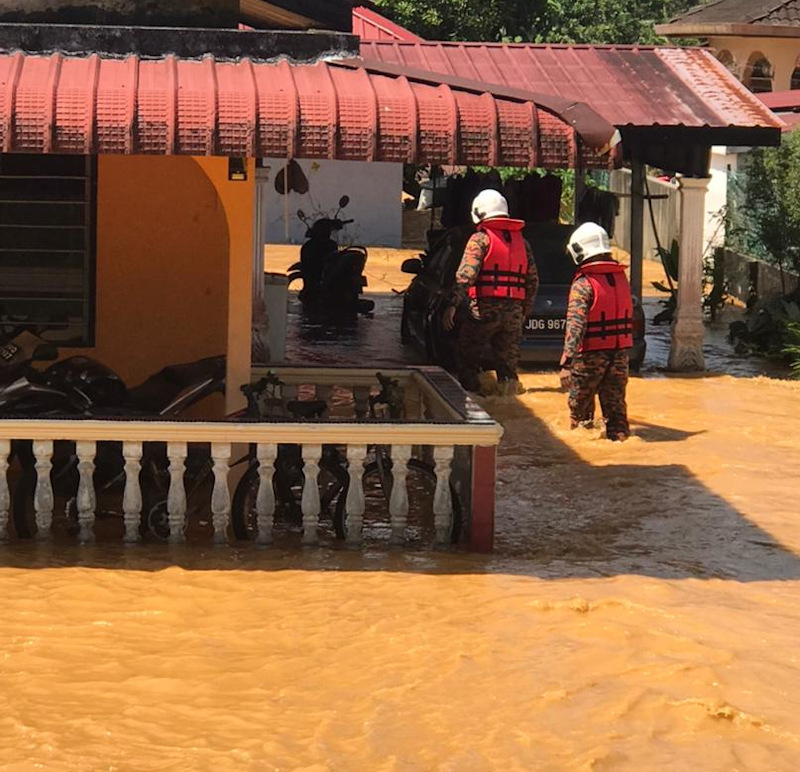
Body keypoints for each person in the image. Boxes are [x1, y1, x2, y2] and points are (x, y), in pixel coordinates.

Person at [442, 190, 538, 396]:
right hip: (513, 313)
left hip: (484, 311)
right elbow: (533, 281)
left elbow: (466, 275)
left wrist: (452, 304)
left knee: (466, 356)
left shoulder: (480, 239)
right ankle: (509, 400)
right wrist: (524, 310)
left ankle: (474, 401)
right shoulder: (523, 242)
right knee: (508, 363)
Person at [559, 222, 633, 441]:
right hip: (619, 355)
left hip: (590, 356)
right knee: (616, 413)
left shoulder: (584, 283)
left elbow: (575, 324)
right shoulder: (621, 278)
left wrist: (566, 361)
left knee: (580, 414)